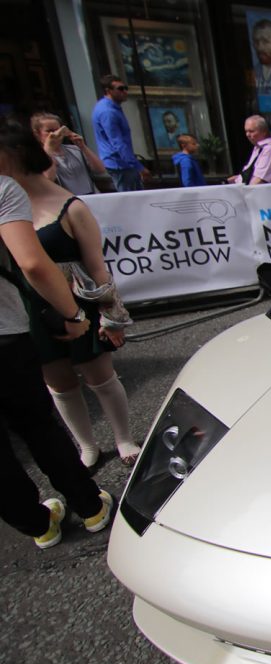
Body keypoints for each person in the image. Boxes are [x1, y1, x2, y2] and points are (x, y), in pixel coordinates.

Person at [0, 123, 139, 470]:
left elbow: (97, 267)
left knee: (99, 375)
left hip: (80, 301)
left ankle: (124, 438)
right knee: (58, 382)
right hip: (29, 307)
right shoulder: (8, 206)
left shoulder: (71, 206)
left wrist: (112, 317)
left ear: (15, 156)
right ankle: (87, 445)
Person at [0, 173, 114, 549]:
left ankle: (38, 525)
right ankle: (90, 506)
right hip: (5, 334)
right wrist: (72, 314)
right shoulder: (3, 188)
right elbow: (32, 262)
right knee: (36, 424)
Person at [91, 74, 149, 192]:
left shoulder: (110, 108)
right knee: (131, 200)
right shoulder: (108, 112)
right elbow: (118, 142)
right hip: (120, 164)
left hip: (122, 163)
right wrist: (138, 167)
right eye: (120, 89)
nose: (125, 92)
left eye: (125, 88)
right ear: (108, 91)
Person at [30, 112, 107, 196]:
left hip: (91, 196)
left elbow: (100, 170)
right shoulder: (37, 156)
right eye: (49, 131)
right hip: (68, 201)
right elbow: (48, 179)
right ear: (37, 134)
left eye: (57, 130)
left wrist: (83, 147)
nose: (55, 134)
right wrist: (50, 150)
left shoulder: (74, 149)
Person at [229, 115, 271, 185]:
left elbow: (259, 181)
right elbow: (251, 174)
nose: (247, 135)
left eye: (251, 131)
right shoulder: (259, 147)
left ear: (264, 131)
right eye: (246, 131)